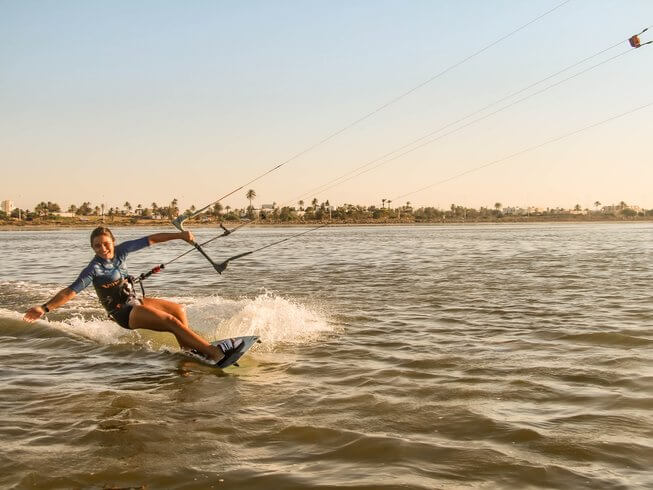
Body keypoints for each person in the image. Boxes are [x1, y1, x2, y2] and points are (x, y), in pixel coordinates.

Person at [23, 226, 238, 364]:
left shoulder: (122, 250)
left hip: (134, 300)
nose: (102, 248)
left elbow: (152, 239)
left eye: (106, 244)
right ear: (92, 247)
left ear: (113, 242)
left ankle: (189, 352)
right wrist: (45, 307)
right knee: (171, 321)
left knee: (178, 310)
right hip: (123, 312)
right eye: (97, 246)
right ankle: (213, 352)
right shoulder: (93, 269)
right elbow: (71, 291)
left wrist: (180, 236)